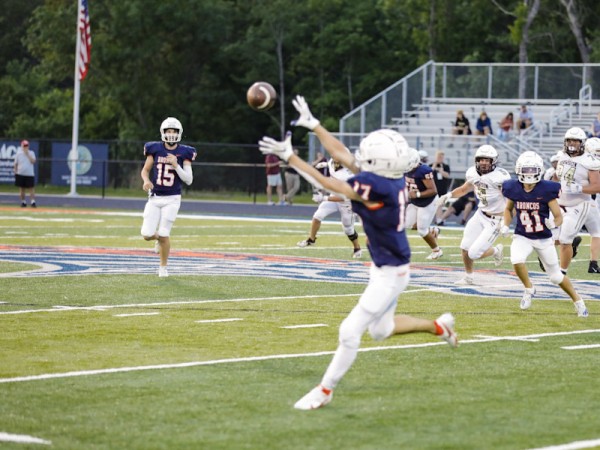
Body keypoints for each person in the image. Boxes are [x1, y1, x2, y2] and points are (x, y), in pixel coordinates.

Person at [258, 95, 457, 411]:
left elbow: (329, 183)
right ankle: (439, 326)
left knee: (349, 331)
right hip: (385, 266)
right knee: (382, 330)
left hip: (391, 273)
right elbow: (342, 155)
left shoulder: (382, 188)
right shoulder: (386, 178)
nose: (360, 157)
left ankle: (324, 390)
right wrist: (314, 125)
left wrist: (291, 158)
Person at [500, 151, 588, 317]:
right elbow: (508, 209)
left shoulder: (547, 189)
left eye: (531, 170)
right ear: (518, 170)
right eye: (525, 170)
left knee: (555, 277)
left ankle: (578, 301)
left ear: (539, 170)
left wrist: (553, 223)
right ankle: (529, 289)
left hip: (543, 238)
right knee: (516, 259)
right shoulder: (513, 188)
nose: (528, 174)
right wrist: (505, 224)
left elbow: (559, 217)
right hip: (522, 235)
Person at [437, 145, 510, 285]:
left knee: (473, 253)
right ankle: (469, 277)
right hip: (480, 214)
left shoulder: (500, 177)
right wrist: (449, 195)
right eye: (481, 159)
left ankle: (496, 250)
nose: (483, 162)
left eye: (487, 160)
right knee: (465, 247)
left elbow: (510, 201)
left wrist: (505, 223)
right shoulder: (473, 173)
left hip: (495, 219)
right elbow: (465, 188)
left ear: (493, 161)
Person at [140, 117, 196, 278]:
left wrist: (176, 165)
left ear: (179, 134)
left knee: (164, 233)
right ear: (163, 133)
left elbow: (188, 179)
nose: (171, 134)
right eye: (168, 131)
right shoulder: (155, 149)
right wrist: (146, 180)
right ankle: (158, 239)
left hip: (172, 198)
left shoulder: (185, 152)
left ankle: (163, 268)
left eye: (174, 131)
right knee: (146, 234)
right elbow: (145, 170)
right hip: (155, 197)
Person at [554, 127, 600, 275]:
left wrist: (578, 188)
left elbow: (597, 186)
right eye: (569, 140)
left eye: (575, 141)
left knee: (565, 239)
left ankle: (562, 272)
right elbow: (558, 176)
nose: (572, 143)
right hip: (560, 203)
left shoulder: (589, 161)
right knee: (549, 238)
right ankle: (561, 258)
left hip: (580, 204)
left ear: (582, 143)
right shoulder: (563, 156)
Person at [297, 157, 363, 259]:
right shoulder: (333, 161)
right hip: (334, 195)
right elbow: (331, 163)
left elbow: (343, 197)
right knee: (317, 216)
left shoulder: (347, 176)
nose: (334, 159)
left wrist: (324, 198)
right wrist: (325, 164)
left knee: (348, 229)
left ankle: (357, 248)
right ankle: (311, 240)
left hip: (346, 202)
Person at [405, 149, 442, 259]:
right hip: (415, 201)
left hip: (428, 201)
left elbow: (433, 190)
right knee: (406, 224)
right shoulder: (404, 169)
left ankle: (437, 251)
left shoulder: (424, 170)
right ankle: (432, 231)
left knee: (421, 231)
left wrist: (417, 195)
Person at [583, 137, 600, 274]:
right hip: (590, 201)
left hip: (572, 202)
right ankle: (593, 263)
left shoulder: (577, 161)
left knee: (565, 235)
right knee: (597, 233)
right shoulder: (593, 164)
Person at [13, 140, 37, 208]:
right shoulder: (18, 154)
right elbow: (15, 164)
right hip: (20, 173)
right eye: (24, 146)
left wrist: (27, 154)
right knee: (21, 189)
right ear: (22, 146)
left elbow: (33, 161)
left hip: (29, 174)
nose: (26, 147)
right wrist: (15, 171)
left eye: (27, 146)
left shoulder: (31, 153)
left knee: (31, 188)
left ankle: (33, 202)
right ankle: (23, 202)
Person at [430, 150, 451, 223]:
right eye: (438, 157)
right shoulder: (431, 165)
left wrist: (441, 171)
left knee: (440, 205)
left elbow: (447, 176)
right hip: (433, 189)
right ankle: (438, 220)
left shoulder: (446, 166)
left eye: (441, 157)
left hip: (442, 189)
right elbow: (428, 175)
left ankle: (439, 220)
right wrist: (434, 167)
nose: (440, 159)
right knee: (434, 205)